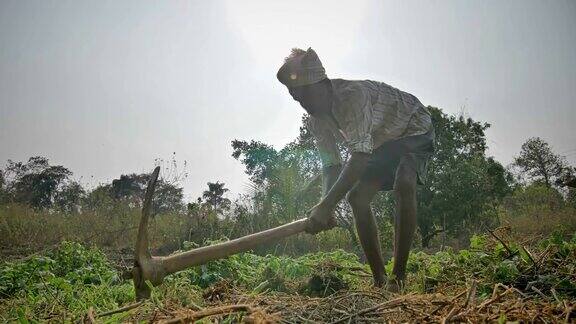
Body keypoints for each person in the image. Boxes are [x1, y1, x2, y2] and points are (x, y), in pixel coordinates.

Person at [277, 48, 435, 291]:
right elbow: (331, 164)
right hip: (381, 141)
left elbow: (359, 157)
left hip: (412, 125)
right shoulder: (316, 119)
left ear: (322, 84)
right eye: (297, 99)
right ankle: (379, 280)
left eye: (306, 96)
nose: (304, 104)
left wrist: (326, 206)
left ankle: (399, 278)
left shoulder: (353, 96)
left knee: (404, 182)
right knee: (357, 198)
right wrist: (325, 205)